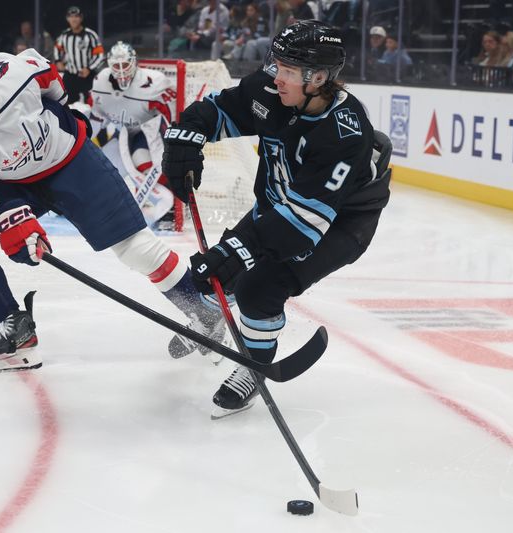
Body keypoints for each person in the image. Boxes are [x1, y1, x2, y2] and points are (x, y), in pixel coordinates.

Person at [0, 50, 225, 373]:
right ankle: (14, 328)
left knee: (135, 248)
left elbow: (47, 75)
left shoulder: (7, 74)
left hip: (71, 160)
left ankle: (206, 315)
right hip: (16, 186)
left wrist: (62, 112)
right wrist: (1, 219)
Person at [161, 20, 391, 417]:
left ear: (318, 78)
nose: (276, 77)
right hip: (280, 203)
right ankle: (216, 316)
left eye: (287, 70)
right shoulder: (273, 88)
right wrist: (188, 134)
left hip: (338, 223)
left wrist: (239, 250)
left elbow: (301, 226)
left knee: (258, 287)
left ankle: (254, 367)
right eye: (277, 65)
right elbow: (219, 109)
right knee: (215, 275)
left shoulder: (345, 133)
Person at [88, 41, 181, 231]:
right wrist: (85, 139)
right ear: (109, 65)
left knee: (148, 166)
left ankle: (168, 211)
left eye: (125, 65)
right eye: (116, 65)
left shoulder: (153, 81)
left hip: (149, 132)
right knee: (103, 171)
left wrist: (173, 136)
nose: (121, 70)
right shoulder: (100, 82)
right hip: (121, 133)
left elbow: (172, 110)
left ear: (134, 62)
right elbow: (96, 117)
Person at [53, 6, 104, 104]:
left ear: (81, 18)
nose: (74, 19)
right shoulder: (64, 35)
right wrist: (58, 61)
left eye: (76, 16)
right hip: (70, 75)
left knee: (91, 102)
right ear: (67, 19)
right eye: (71, 17)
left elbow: (99, 55)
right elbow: (57, 49)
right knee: (66, 103)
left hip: (87, 75)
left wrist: (89, 68)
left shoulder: (90, 35)